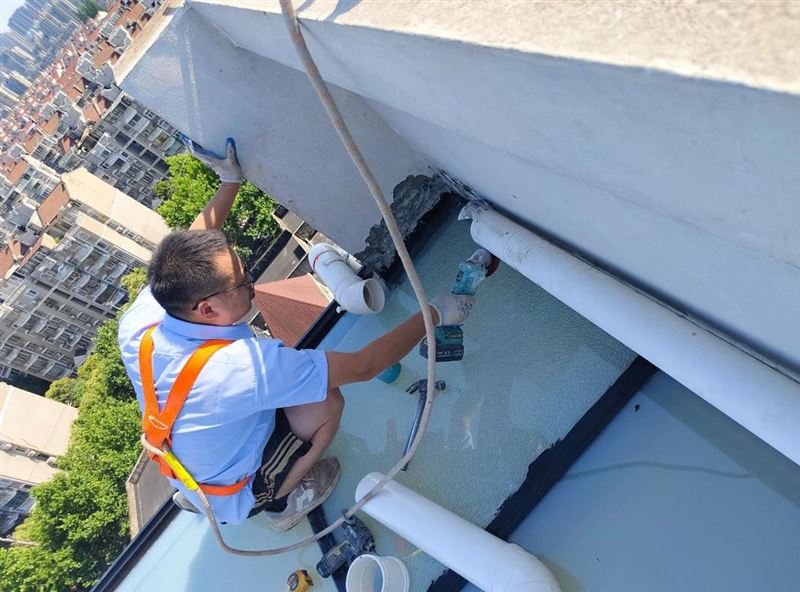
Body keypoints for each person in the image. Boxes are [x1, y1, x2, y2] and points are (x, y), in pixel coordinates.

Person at [117, 138, 475, 531]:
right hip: (232, 488)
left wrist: (229, 182)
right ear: (206, 310)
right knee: (326, 402)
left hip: (193, 454)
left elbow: (194, 242)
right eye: (242, 282)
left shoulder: (146, 319)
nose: (252, 285)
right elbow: (364, 366)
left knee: (297, 391)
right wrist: (434, 313)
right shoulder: (244, 369)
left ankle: (203, 482)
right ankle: (281, 501)